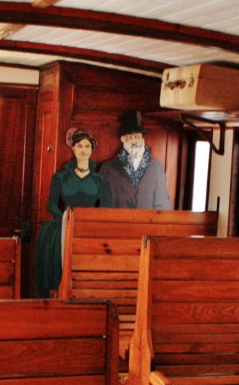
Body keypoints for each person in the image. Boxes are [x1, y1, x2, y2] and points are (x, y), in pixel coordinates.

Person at [34, 128, 112, 298]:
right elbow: (51, 205)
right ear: (73, 149)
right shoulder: (60, 177)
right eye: (80, 146)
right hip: (63, 223)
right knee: (53, 243)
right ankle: (55, 293)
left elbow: (106, 206)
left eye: (87, 146)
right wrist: (66, 218)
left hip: (89, 226)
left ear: (92, 150)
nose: (83, 150)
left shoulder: (99, 180)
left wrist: (89, 220)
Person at [101, 110, 171, 210]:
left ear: (142, 138)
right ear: (122, 139)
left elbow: (163, 205)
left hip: (148, 224)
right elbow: (103, 206)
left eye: (137, 137)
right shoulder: (107, 169)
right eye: (130, 137)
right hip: (118, 224)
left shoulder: (156, 167)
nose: (134, 141)